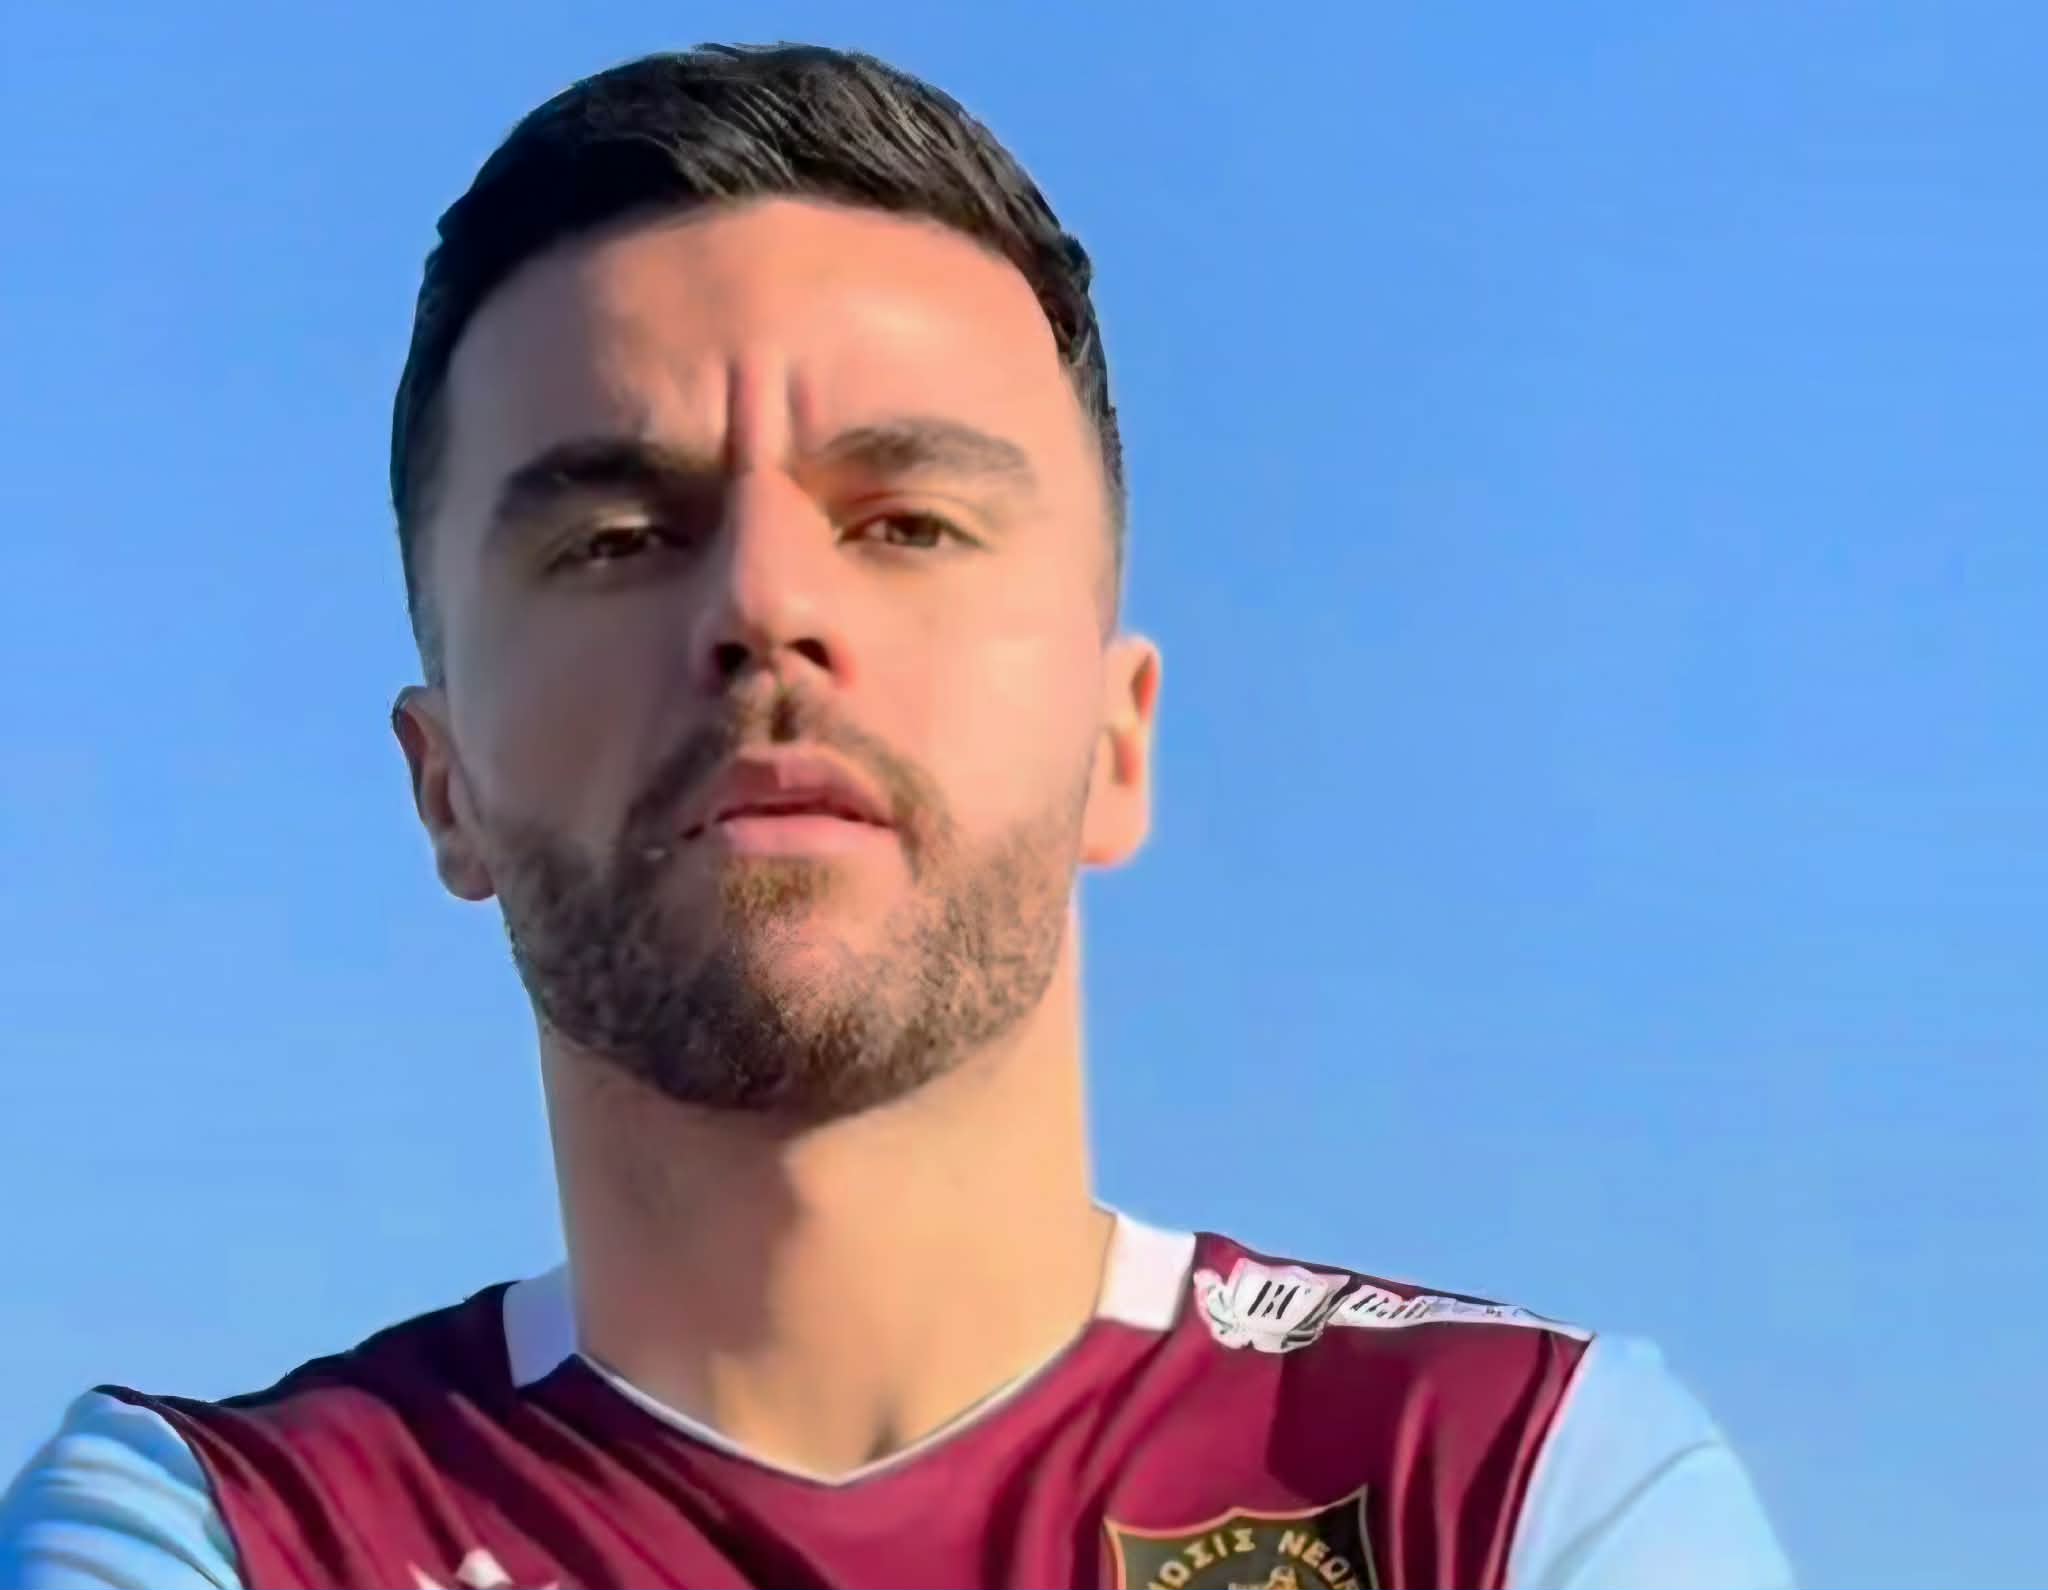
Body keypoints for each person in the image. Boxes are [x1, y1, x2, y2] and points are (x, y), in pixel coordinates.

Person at [0, 43, 1794, 1590]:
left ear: (1118, 740)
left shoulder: (1512, 1486)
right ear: (442, 780)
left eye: (906, 523)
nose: (764, 606)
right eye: (616, 539)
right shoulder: (228, 1530)